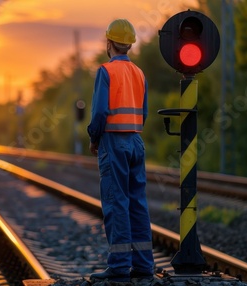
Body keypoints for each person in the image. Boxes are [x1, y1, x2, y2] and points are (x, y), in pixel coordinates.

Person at [87, 18, 154, 282]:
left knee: (117, 203)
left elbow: (100, 111)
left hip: (113, 141)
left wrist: (95, 138)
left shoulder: (106, 71)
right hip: (136, 141)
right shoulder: (139, 73)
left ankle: (118, 268)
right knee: (137, 203)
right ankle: (143, 266)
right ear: (129, 45)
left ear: (109, 43)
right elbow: (145, 112)